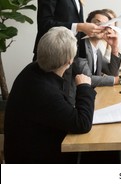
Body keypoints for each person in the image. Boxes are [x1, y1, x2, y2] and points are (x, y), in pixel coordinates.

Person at [4, 27, 96, 163]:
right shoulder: (45, 92)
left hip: (22, 153)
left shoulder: (31, 69)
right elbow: (82, 124)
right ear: (70, 60)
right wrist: (84, 87)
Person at [75, 9, 121, 87]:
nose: (101, 27)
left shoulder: (97, 51)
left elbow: (112, 73)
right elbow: (86, 79)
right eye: (97, 23)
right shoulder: (80, 46)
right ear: (88, 25)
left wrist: (114, 48)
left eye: (106, 25)